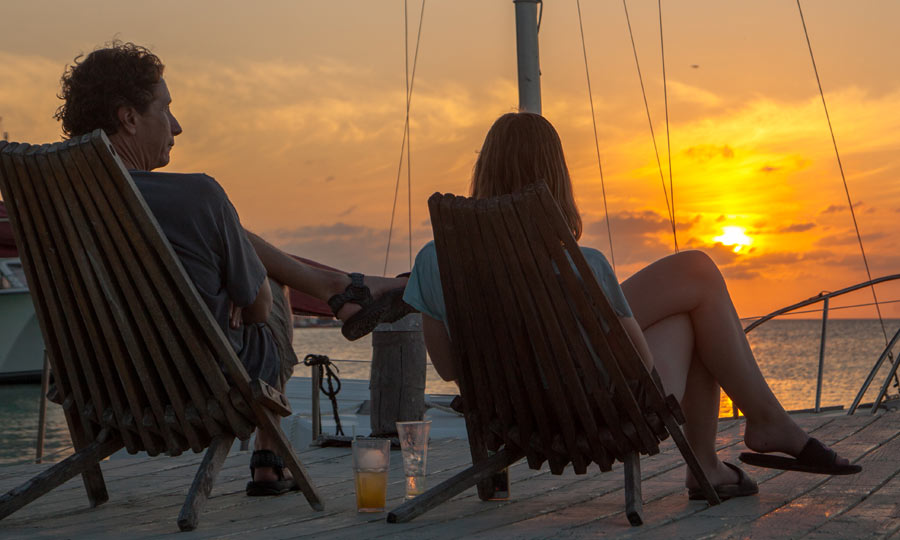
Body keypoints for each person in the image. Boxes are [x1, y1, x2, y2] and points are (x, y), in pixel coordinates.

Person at [402, 112, 860, 501]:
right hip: (592, 409)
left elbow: (446, 366)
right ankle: (733, 448)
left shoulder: (432, 262)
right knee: (694, 310)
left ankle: (756, 430)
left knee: (694, 273)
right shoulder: (584, 266)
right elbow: (637, 363)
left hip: (513, 411)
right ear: (555, 178)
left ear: (483, 170)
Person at [54, 41, 411, 496]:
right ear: (128, 118)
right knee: (271, 287)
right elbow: (259, 312)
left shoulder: (53, 210)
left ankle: (337, 287)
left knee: (235, 250)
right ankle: (269, 457)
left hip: (95, 389)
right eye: (166, 108)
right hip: (198, 386)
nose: (176, 126)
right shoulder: (197, 198)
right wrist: (242, 289)